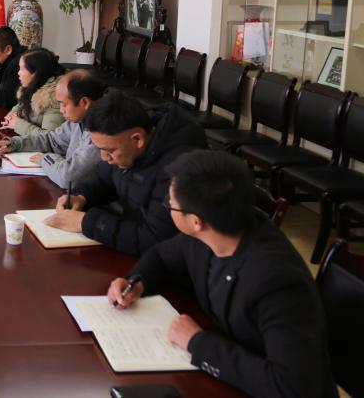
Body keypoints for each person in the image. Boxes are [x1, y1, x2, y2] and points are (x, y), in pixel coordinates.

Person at [108, 151, 337, 398]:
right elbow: (162, 256)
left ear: (195, 221)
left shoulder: (277, 282)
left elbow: (292, 387)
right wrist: (137, 281)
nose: (167, 206)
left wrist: (197, 342)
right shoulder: (214, 229)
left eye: (170, 203)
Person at [43, 90, 206, 255]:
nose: (104, 157)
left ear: (137, 139)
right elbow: (103, 178)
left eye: (109, 150)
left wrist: (85, 222)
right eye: (100, 149)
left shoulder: (178, 168)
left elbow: (156, 238)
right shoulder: (124, 143)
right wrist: (81, 196)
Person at [0, 69, 106, 189]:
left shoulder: (100, 134)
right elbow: (52, 140)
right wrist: (15, 143)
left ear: (84, 103)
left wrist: (45, 159)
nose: (61, 110)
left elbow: (68, 179)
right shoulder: (79, 121)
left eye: (64, 104)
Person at [1, 49, 66, 135]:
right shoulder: (31, 87)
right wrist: (10, 117)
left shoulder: (54, 97)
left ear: (36, 72)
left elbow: (50, 138)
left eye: (22, 69)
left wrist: (17, 124)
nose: (18, 73)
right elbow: (20, 106)